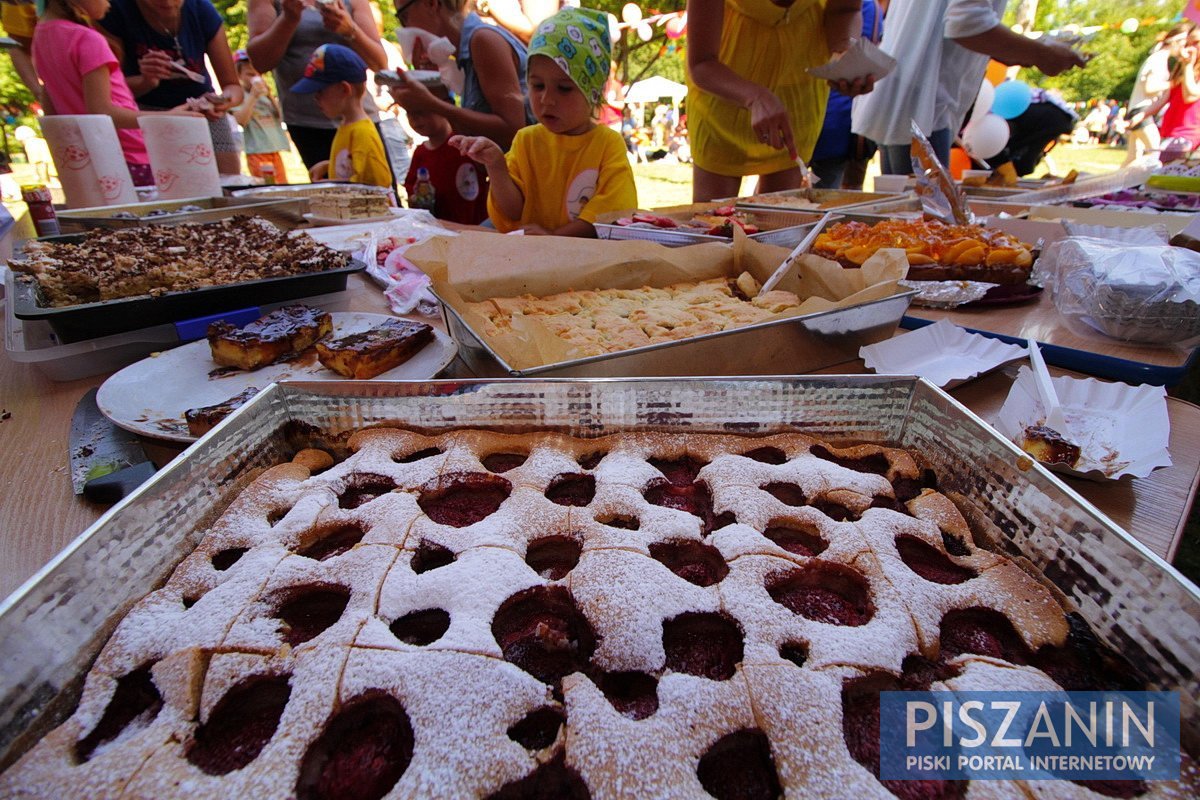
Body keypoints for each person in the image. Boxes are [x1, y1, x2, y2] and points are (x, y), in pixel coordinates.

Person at [451, 7, 636, 236]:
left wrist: (554, 240)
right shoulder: (526, 140)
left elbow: (611, 213)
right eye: (538, 86)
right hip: (531, 263)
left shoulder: (607, 145)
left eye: (564, 88)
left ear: (594, 92)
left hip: (586, 263)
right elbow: (513, 211)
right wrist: (496, 166)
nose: (547, 100)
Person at [852, 0, 1086, 174]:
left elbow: (953, 23)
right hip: (926, 103)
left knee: (902, 220)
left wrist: (1016, 53)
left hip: (908, 95)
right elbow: (966, 22)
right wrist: (1041, 54)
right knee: (922, 226)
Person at [685, 0, 870, 202]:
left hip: (798, 99)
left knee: (782, 219)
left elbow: (845, 9)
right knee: (712, 220)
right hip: (723, 94)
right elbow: (701, 63)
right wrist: (754, 96)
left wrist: (845, 51)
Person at [32, 0, 198, 187]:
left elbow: (50, 106)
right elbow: (101, 112)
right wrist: (168, 117)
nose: (111, 4)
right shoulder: (87, 38)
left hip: (88, 157)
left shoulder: (41, 35)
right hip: (128, 155)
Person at [98, 0, 244, 175]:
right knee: (164, 183)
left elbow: (233, 87)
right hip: (145, 114)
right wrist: (146, 81)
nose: (167, 2)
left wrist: (221, 102)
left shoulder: (201, 10)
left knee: (228, 179)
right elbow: (110, 92)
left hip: (204, 113)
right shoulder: (115, 12)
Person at [245, 0, 388, 170]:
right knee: (328, 192)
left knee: (378, 188)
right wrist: (289, 19)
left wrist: (350, 30)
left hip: (358, 117)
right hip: (306, 122)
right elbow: (259, 63)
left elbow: (379, 64)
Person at [384, 0, 534, 151]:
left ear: (431, 4)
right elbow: (471, 140)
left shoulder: (482, 40)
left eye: (403, 16)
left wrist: (431, 103)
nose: (404, 28)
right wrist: (439, 93)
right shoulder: (467, 50)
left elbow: (513, 129)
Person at [291, 43, 392, 187]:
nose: (315, 98)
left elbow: (376, 183)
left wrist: (333, 185)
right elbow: (354, 165)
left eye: (320, 91)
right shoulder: (347, 126)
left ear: (344, 89)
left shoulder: (362, 133)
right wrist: (330, 166)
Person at [810, 0, 882, 189]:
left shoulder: (865, 7)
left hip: (834, 121)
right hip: (834, 120)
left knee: (826, 194)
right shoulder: (870, 7)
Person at [404, 94, 487, 224]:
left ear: (443, 108)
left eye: (421, 111)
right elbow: (411, 188)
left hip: (474, 228)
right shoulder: (420, 153)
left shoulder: (465, 145)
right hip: (438, 229)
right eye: (409, 113)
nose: (414, 118)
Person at [1126, 24, 1187, 165]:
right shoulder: (1158, 59)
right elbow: (1150, 87)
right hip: (1142, 109)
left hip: (1140, 109)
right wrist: (1174, 83)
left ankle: (1116, 185)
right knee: (1155, 153)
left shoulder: (1159, 58)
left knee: (1133, 157)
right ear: (1175, 42)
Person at [1135, 27, 1200, 155]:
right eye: (1188, 43)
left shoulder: (1188, 68)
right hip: (1169, 132)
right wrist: (1140, 116)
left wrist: (1187, 65)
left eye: (1196, 43)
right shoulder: (1180, 70)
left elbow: (1190, 96)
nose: (1190, 47)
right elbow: (1164, 99)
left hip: (1188, 135)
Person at [230, 49, 290, 183]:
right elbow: (241, 120)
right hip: (257, 151)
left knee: (283, 185)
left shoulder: (265, 96)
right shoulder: (241, 96)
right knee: (267, 186)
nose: (254, 78)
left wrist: (270, 96)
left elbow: (281, 116)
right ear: (238, 75)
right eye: (249, 74)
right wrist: (253, 96)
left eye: (257, 74)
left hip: (274, 148)